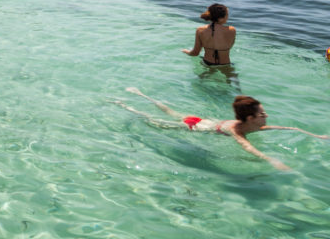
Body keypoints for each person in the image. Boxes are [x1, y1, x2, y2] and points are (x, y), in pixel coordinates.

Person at [120, 88, 326, 170]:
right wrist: (271, 160)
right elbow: (247, 147)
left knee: (171, 112)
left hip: (203, 121)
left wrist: (316, 135)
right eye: (263, 114)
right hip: (194, 127)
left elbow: (290, 127)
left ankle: (140, 94)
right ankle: (126, 106)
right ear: (251, 118)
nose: (267, 116)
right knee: (152, 121)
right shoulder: (237, 130)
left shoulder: (254, 125)